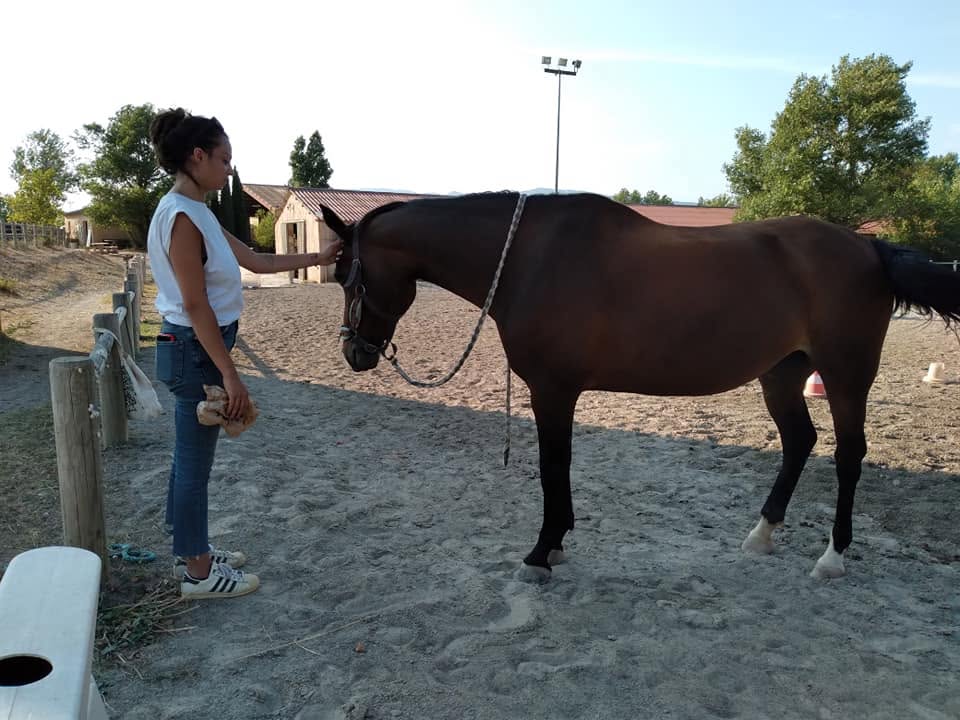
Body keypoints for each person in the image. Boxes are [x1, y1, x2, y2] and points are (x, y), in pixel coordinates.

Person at [147, 108, 342, 599]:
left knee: (187, 459)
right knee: (195, 464)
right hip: (196, 349)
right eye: (224, 159)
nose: (229, 169)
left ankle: (191, 550)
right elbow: (195, 304)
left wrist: (317, 257)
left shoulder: (196, 212)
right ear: (197, 156)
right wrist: (231, 375)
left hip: (193, 347)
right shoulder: (183, 218)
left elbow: (255, 259)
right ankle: (199, 572)